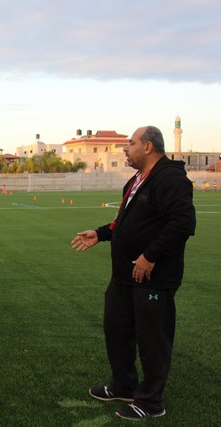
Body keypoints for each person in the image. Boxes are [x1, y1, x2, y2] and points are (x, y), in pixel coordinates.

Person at [71, 126, 196, 421]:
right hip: (125, 276)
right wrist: (100, 234)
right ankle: (123, 385)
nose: (126, 148)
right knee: (116, 329)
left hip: (153, 277)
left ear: (149, 147)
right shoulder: (136, 180)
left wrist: (150, 256)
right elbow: (125, 221)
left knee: (153, 338)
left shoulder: (170, 178)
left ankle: (151, 402)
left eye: (131, 143)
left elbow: (183, 223)